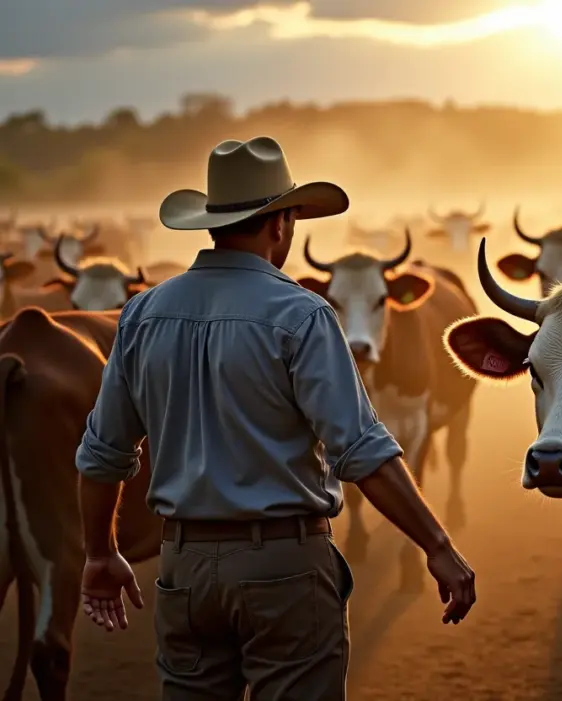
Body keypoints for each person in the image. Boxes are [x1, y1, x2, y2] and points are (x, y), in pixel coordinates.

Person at [75, 136, 476, 700]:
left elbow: (102, 455)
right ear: (281, 223)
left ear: (212, 224)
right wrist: (436, 544)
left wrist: (99, 552)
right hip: (285, 565)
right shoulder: (302, 314)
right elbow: (361, 450)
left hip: (183, 566)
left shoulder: (142, 314)